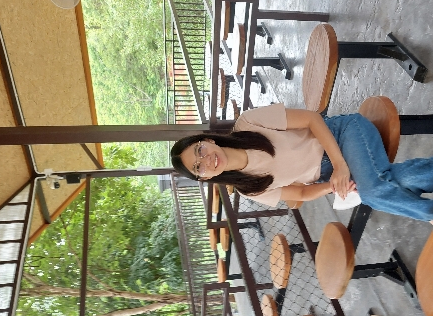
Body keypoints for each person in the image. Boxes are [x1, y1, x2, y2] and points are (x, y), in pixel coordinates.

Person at [170, 103, 433, 223]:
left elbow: (311, 119)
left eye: (200, 150)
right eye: (198, 167)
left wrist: (340, 165)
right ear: (204, 178)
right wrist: (333, 186)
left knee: (373, 192)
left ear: (207, 140)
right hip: (330, 173)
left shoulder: (248, 122)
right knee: (396, 180)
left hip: (341, 134)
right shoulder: (249, 189)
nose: (206, 160)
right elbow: (302, 193)